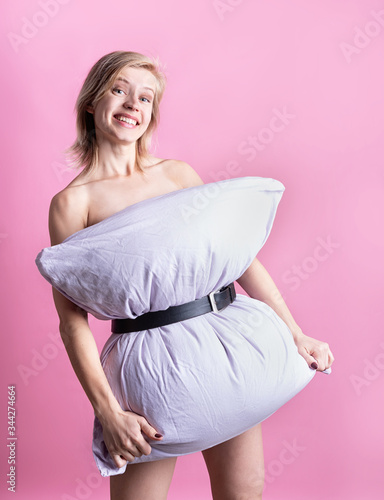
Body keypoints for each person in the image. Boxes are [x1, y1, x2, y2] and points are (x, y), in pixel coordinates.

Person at [47, 51, 334, 500]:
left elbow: (237, 261)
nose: (132, 105)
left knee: (244, 493)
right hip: (150, 373)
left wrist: (296, 334)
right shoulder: (72, 204)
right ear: (92, 100)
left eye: (146, 98)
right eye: (119, 89)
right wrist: (108, 412)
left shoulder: (177, 175)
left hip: (227, 352)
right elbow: (72, 321)